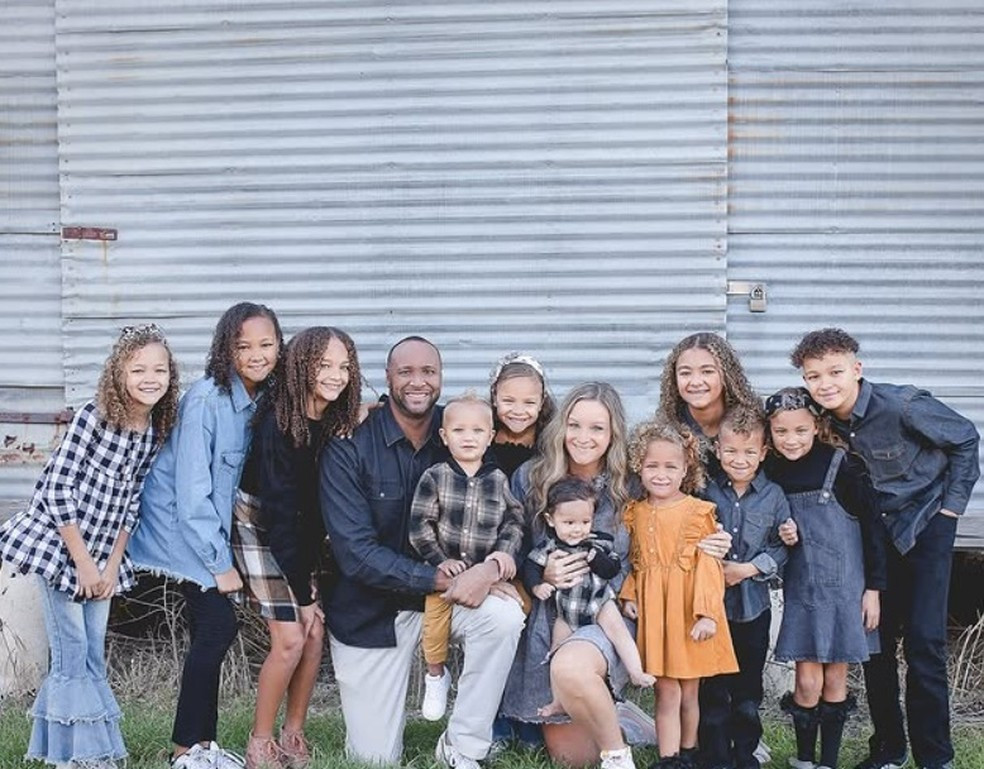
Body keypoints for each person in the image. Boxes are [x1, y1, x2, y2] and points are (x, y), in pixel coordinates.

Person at [501, 382, 733, 769]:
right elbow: (510, 539)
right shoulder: (532, 477)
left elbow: (682, 508)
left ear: (613, 434)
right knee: (574, 760)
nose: (584, 437)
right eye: (575, 425)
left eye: (597, 428)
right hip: (555, 614)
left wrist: (715, 536)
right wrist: (540, 573)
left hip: (613, 612)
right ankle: (619, 717)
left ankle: (617, 756)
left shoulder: (632, 482)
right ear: (560, 427)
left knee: (572, 668)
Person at [320, 336, 526, 769]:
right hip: (371, 613)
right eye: (406, 372)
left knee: (504, 618)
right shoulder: (350, 442)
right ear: (387, 378)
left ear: (440, 377)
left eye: (428, 372)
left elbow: (513, 504)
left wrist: (492, 568)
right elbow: (355, 552)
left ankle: (463, 747)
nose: (418, 381)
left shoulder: (460, 429)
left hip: (450, 601)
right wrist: (444, 577)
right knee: (373, 761)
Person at [791, 329, 979, 769]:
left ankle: (935, 757)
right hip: (871, 540)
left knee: (924, 644)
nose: (826, 384)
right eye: (814, 376)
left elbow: (965, 438)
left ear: (857, 369)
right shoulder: (818, 422)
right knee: (874, 646)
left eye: (835, 372)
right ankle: (889, 749)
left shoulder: (902, 405)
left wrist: (950, 510)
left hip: (924, 528)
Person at [0, 324, 179, 769]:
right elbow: (57, 488)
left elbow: (131, 500)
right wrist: (82, 563)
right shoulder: (94, 417)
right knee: (72, 652)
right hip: (63, 548)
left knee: (93, 654)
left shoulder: (152, 429)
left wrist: (112, 565)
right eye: (138, 369)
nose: (150, 378)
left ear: (171, 375)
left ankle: (89, 750)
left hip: (103, 555)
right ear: (119, 374)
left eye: (159, 370)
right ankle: (75, 757)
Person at [129, 302, 283, 769]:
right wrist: (219, 564)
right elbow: (192, 495)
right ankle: (184, 751)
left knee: (208, 629)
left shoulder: (262, 397)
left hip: (207, 529)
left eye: (266, 344)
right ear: (225, 350)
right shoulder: (206, 401)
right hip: (181, 530)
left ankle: (202, 746)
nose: (256, 355)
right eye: (243, 346)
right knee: (218, 626)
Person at [231, 327, 361, 769]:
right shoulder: (279, 423)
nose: (336, 375)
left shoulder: (331, 419)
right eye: (324, 365)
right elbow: (281, 515)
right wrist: (303, 597)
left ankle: (293, 733)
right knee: (290, 637)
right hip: (260, 525)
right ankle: (260, 742)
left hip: (298, 532)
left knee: (315, 634)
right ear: (301, 366)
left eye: (344, 366)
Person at [764, 386, 887, 769]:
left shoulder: (842, 465)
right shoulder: (771, 470)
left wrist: (874, 589)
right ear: (770, 431)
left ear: (817, 426)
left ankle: (828, 761)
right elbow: (765, 524)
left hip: (845, 589)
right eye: (781, 431)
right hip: (801, 590)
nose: (791, 439)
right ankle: (804, 758)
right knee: (806, 681)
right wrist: (780, 533)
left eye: (800, 430)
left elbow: (873, 529)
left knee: (835, 678)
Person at [620, 417, 738, 769]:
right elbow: (635, 562)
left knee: (689, 691)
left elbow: (709, 566)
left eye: (671, 467)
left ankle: (689, 753)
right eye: (652, 466)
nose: (661, 475)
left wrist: (707, 614)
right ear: (639, 467)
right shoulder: (635, 513)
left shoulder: (698, 512)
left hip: (687, 612)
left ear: (686, 468)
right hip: (656, 614)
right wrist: (629, 595)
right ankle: (668, 759)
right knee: (665, 689)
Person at [408, 392, 525, 722]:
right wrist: (438, 560)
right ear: (445, 436)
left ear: (490, 437)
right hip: (445, 576)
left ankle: (479, 692)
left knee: (509, 615)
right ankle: (436, 675)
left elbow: (514, 520)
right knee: (434, 626)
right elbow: (419, 525)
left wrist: (503, 554)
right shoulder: (436, 476)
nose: (468, 438)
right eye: (459, 430)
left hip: (486, 578)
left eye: (477, 431)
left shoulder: (497, 480)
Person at [698, 406, 792, 769]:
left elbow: (782, 546)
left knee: (748, 690)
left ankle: (746, 753)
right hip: (712, 608)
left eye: (749, 451)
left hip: (754, 608)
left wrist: (748, 569)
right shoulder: (705, 491)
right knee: (713, 686)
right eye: (731, 451)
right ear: (718, 450)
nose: (740, 460)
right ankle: (715, 756)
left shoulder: (774, 496)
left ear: (764, 452)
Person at [527, 476, 656, 719]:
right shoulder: (549, 547)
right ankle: (558, 700)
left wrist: (597, 559)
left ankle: (636, 671)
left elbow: (612, 569)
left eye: (585, 522)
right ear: (551, 520)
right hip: (566, 611)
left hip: (599, 602)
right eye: (569, 522)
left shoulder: (598, 543)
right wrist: (537, 586)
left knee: (618, 631)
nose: (577, 529)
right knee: (556, 651)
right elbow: (532, 567)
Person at [658, 332, 761, 476]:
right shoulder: (666, 431)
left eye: (707, 371)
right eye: (685, 373)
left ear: (726, 375)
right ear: (674, 379)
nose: (696, 382)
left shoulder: (752, 424)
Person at [488, 352, 556, 478]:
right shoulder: (482, 434)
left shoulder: (552, 441)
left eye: (529, 402)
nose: (518, 411)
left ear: (542, 402)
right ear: (494, 398)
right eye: (508, 401)